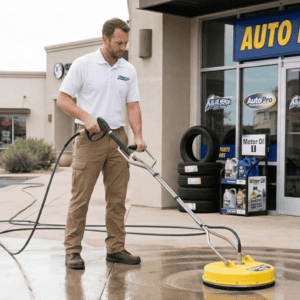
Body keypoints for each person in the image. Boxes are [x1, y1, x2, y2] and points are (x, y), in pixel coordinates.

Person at [57, 18, 147, 269]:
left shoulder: (128, 69)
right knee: (80, 197)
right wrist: (86, 117)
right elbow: (63, 100)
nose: (123, 48)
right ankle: (72, 250)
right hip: (90, 139)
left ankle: (116, 248)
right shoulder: (83, 65)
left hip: (118, 139)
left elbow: (133, 105)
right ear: (105, 39)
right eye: (119, 43)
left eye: (126, 43)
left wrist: (138, 136)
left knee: (117, 199)